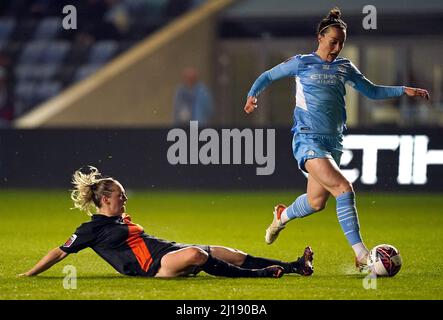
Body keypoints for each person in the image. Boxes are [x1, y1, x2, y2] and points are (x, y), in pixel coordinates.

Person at [243, 8, 430, 271]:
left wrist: (404, 90)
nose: (337, 47)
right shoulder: (302, 62)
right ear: (320, 37)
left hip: (334, 143)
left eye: (341, 43)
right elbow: (268, 76)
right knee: (344, 188)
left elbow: (372, 91)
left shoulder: (344, 67)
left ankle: (281, 216)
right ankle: (362, 255)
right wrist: (253, 95)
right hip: (307, 139)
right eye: (333, 41)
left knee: (316, 203)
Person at [19, 166, 314, 278]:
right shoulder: (91, 229)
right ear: (105, 199)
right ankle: (261, 274)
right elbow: (60, 251)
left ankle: (294, 267)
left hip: (167, 250)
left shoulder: (120, 218)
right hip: (153, 268)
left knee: (229, 252)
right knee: (199, 255)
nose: (125, 199)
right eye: (121, 195)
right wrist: (30, 275)